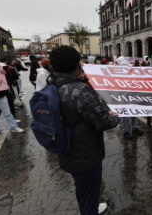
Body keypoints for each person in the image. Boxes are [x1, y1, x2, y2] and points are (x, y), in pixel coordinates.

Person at [49, 46, 120, 214]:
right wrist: (116, 116)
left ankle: (91, 207)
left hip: (66, 147)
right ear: (77, 63)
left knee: (82, 187)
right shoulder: (80, 90)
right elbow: (103, 122)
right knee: (88, 190)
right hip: (85, 154)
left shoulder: (52, 83)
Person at [117, 56, 143, 139]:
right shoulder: (117, 74)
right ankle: (125, 131)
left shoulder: (131, 72)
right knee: (124, 115)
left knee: (133, 113)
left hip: (131, 95)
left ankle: (134, 128)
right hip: (123, 96)